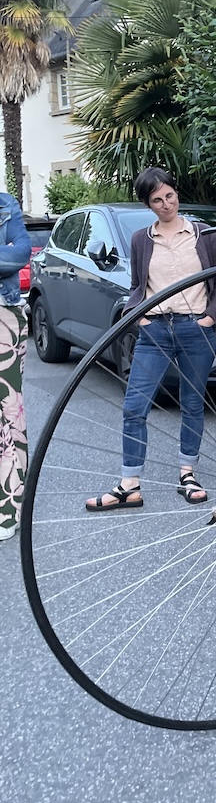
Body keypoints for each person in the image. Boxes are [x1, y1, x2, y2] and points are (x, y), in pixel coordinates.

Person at [86, 169, 216, 511]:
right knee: (135, 406)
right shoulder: (141, 239)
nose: (166, 204)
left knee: (192, 404)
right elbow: (138, 286)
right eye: (157, 200)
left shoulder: (202, 234)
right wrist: (141, 319)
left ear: (176, 193)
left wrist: (210, 317)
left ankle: (187, 475)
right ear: (147, 204)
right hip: (156, 331)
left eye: (169, 196)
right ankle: (129, 485)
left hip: (196, 328)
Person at [0, 192, 32, 541]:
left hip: (4, 316)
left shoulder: (5, 205)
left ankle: (9, 508)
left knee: (9, 412)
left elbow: (21, 253)